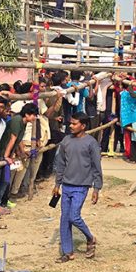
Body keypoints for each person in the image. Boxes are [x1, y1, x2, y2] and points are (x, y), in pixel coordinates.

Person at [53, 113, 102, 263]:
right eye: (71, 123)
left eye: (74, 124)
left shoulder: (91, 143)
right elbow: (60, 164)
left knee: (74, 216)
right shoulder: (66, 141)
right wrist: (57, 184)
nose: (71, 126)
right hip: (66, 185)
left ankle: (90, 238)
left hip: (82, 186)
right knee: (64, 219)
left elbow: (96, 167)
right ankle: (68, 252)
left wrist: (96, 188)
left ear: (83, 126)